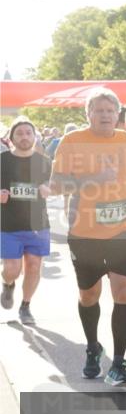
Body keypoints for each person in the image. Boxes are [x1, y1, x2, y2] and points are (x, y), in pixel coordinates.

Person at [51, 88, 126, 386]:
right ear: (88, 114)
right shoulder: (72, 141)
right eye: (100, 110)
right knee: (89, 295)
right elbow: (56, 185)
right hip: (84, 233)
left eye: (111, 110)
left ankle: (119, 362)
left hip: (124, 228)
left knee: (123, 292)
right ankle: (93, 347)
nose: (106, 115)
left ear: (118, 115)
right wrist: (93, 180)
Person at [0, 118, 52, 325]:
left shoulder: (44, 162)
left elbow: (55, 185)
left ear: (34, 136)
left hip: (38, 225)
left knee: (33, 266)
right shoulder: (2, 160)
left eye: (28, 133)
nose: (24, 136)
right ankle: (8, 284)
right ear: (11, 138)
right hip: (8, 224)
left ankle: (25, 306)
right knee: (12, 269)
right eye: (19, 133)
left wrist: (49, 188)